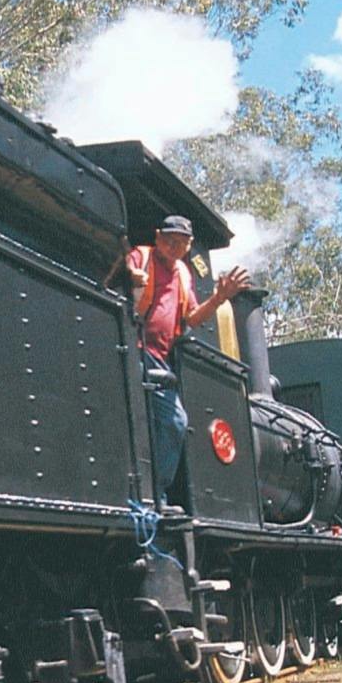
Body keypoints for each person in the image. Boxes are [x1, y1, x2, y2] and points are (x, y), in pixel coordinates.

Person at [123, 216, 249, 506]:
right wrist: (130, 278)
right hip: (134, 345)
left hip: (160, 358)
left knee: (175, 424)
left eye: (180, 243)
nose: (173, 246)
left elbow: (191, 318)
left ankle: (156, 489)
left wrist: (218, 299)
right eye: (168, 240)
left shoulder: (183, 273)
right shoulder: (141, 256)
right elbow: (121, 272)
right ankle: (154, 493)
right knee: (174, 420)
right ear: (157, 236)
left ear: (189, 246)